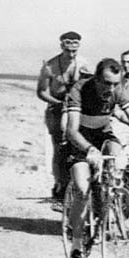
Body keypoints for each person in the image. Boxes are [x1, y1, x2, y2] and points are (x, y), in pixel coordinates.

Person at [65, 58, 129, 258]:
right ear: (95, 78)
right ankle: (76, 244)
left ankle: (112, 194)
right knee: (82, 190)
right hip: (81, 141)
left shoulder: (117, 90)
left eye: (114, 84)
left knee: (116, 154)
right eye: (105, 83)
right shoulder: (79, 89)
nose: (110, 89)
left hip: (103, 134)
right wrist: (89, 150)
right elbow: (71, 131)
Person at [37, 31, 91, 206]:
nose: (71, 53)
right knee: (60, 148)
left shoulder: (83, 64)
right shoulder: (50, 66)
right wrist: (58, 103)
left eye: (75, 48)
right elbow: (41, 92)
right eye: (68, 48)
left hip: (76, 109)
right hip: (57, 109)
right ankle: (60, 186)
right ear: (62, 46)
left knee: (79, 145)